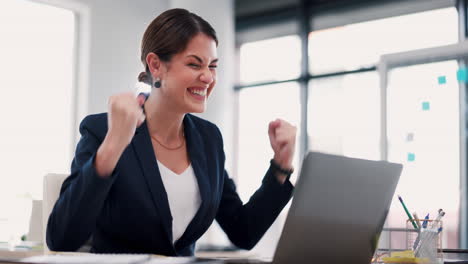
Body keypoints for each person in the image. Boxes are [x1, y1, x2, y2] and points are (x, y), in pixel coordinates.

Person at [46, 8, 296, 256]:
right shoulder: (102, 130)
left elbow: (243, 231)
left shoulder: (208, 139)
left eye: (213, 66)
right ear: (156, 66)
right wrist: (113, 146)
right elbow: (61, 238)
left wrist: (281, 167)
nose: (208, 77)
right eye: (194, 64)